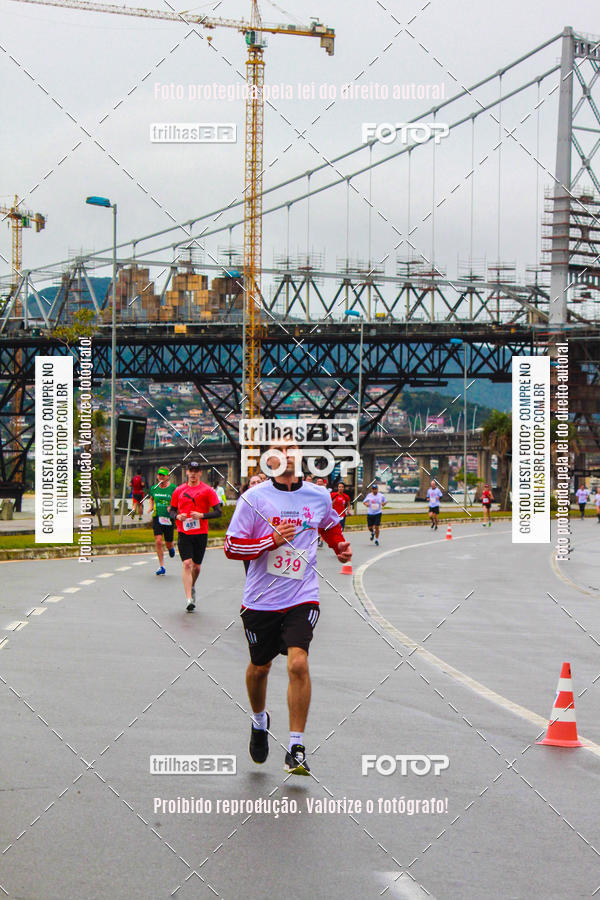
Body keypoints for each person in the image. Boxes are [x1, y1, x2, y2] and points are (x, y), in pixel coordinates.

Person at [224, 440, 352, 776]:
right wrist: (270, 540)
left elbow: (328, 524)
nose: (289, 455)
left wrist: (338, 546)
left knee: (298, 664)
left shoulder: (318, 495)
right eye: (281, 450)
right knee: (260, 668)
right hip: (261, 600)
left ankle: (296, 746)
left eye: (294, 449)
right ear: (270, 460)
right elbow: (231, 546)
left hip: (301, 595)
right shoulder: (254, 499)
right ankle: (258, 720)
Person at [169, 462, 222, 612]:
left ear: (200, 473)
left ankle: (191, 585)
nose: (193, 474)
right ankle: (188, 599)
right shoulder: (179, 490)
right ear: (187, 473)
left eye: (196, 471)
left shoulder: (207, 490)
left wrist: (202, 515)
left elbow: (218, 512)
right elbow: (171, 511)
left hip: (200, 533)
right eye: (190, 471)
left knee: (197, 567)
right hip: (184, 532)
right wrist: (177, 516)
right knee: (187, 563)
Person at [148, 467, 176, 575]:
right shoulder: (154, 488)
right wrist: (151, 507)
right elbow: (151, 498)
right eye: (159, 475)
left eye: (163, 475)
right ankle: (161, 566)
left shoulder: (173, 488)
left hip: (168, 518)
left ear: (168, 477)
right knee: (158, 540)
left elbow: (178, 501)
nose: (161, 477)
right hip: (157, 517)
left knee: (168, 542)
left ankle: (171, 548)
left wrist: (172, 508)